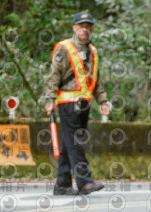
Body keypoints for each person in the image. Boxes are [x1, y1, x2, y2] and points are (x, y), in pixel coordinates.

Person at [43, 12, 110, 196]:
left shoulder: (92, 51)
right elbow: (54, 75)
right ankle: (84, 182)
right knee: (75, 141)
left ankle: (62, 184)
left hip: (84, 103)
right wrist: (49, 99)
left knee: (68, 142)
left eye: (88, 26)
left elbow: (96, 79)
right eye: (81, 26)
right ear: (74, 28)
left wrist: (103, 100)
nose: (85, 29)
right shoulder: (64, 48)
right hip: (68, 102)